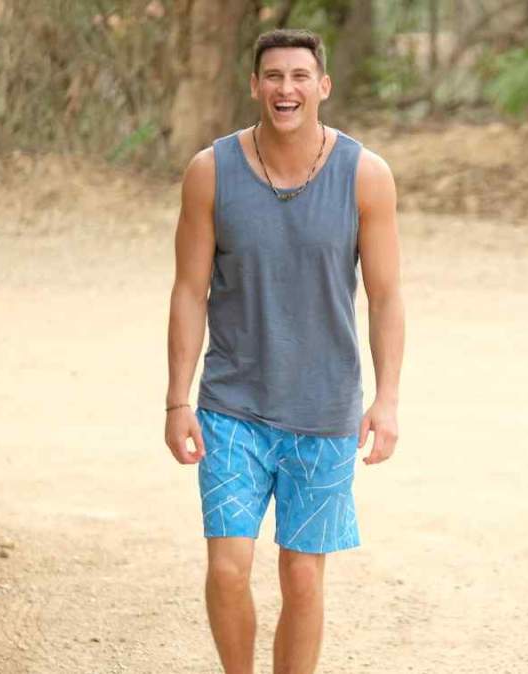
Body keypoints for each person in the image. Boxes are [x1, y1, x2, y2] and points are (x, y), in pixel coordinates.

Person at [163, 29, 404, 674]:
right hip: (231, 406)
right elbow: (188, 291)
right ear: (254, 86)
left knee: (302, 578)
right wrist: (177, 400)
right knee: (227, 568)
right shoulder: (211, 171)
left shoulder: (366, 176)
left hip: (324, 412)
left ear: (323, 86)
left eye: (300, 76)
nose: (286, 89)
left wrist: (386, 399)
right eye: (273, 76)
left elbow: (385, 296)